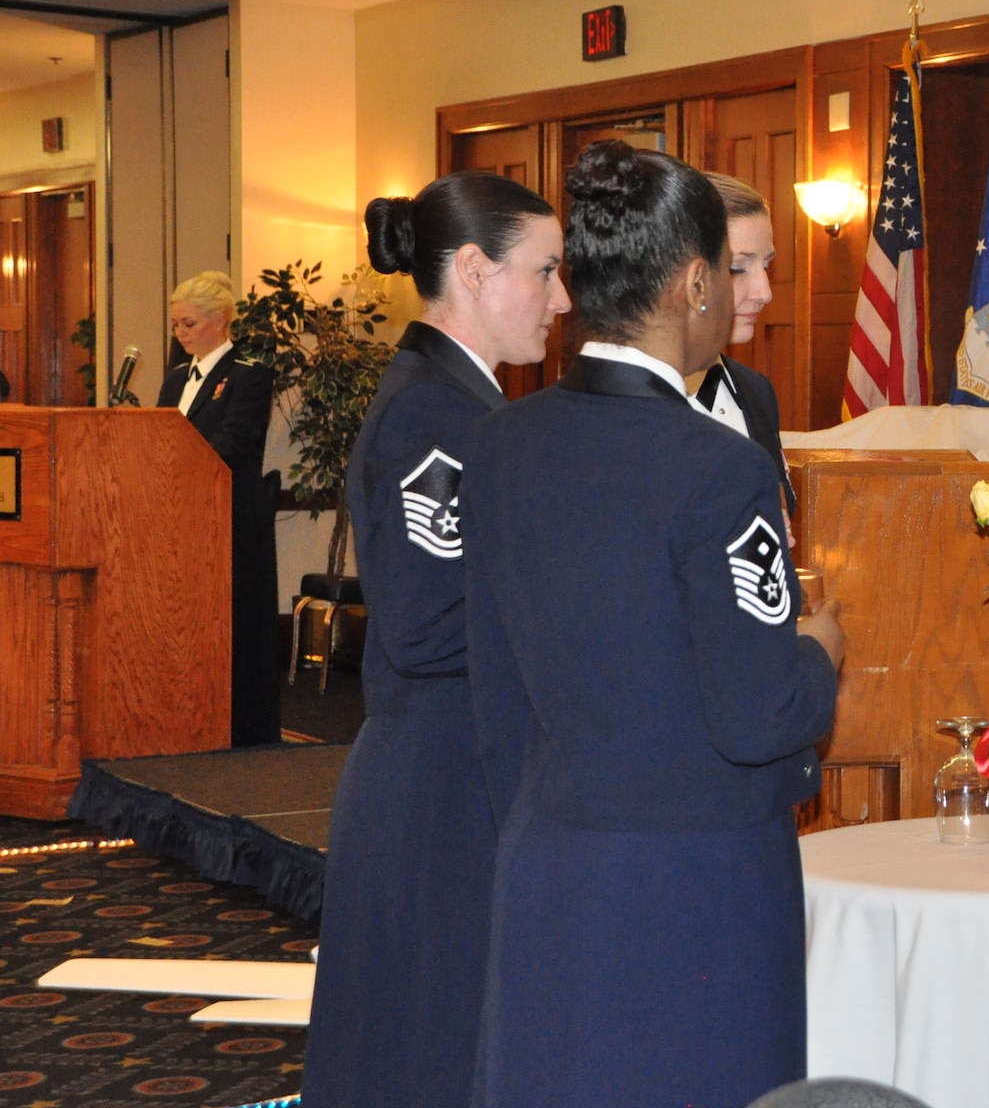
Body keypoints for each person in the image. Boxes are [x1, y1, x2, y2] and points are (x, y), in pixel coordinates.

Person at [462, 141, 844, 1107]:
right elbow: (760, 713)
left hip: (548, 859)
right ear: (691, 285)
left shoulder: (504, 439)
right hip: (695, 887)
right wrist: (818, 652)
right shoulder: (720, 467)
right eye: (726, 269)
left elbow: (494, 685)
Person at [303, 172, 570, 1108]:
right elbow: (425, 623)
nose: (563, 298)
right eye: (545, 271)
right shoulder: (435, 413)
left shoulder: (463, 402)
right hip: (441, 779)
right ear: (472, 269)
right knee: (423, 1053)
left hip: (460, 764)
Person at [158, 270, 279, 747]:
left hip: (230, 517)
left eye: (188, 324)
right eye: (175, 326)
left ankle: (242, 729)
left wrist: (176, 463)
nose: (180, 334)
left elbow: (234, 443)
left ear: (219, 321)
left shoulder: (248, 375)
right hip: (181, 518)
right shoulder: (175, 380)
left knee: (235, 622)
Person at [688, 171, 794, 514]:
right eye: (738, 268)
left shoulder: (755, 390)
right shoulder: (626, 399)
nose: (765, 293)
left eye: (766, 266)